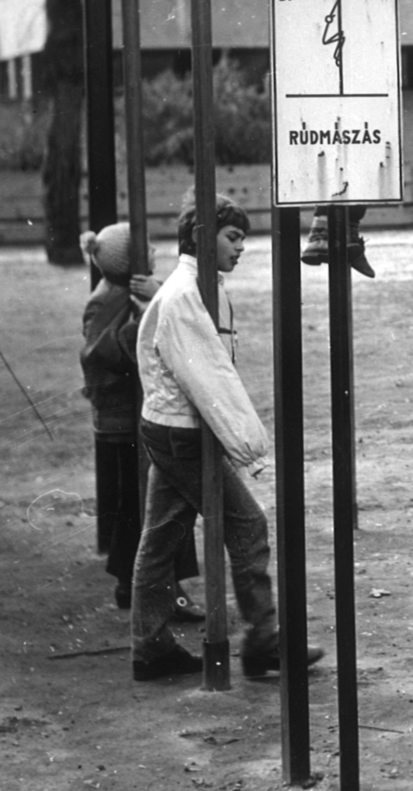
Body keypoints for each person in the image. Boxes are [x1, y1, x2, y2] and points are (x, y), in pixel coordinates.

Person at [130, 192, 325, 682]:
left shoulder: (189, 287)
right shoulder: (187, 295)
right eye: (233, 237)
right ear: (203, 237)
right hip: (184, 434)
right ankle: (263, 640)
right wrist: (249, 447)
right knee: (247, 527)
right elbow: (209, 380)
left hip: (167, 426)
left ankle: (149, 646)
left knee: (160, 541)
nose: (241, 248)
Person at [233, 0, 374, 278]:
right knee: (353, 144)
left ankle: (330, 233)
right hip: (326, 69)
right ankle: (341, 233)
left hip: (316, 68)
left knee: (341, 148)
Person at [80, 222, 202, 619]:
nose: (152, 249)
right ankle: (137, 584)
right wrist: (143, 317)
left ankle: (152, 583)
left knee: (145, 503)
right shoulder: (106, 299)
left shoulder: (123, 292)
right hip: (121, 422)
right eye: (144, 246)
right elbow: (102, 355)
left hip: (133, 417)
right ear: (126, 262)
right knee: (139, 505)